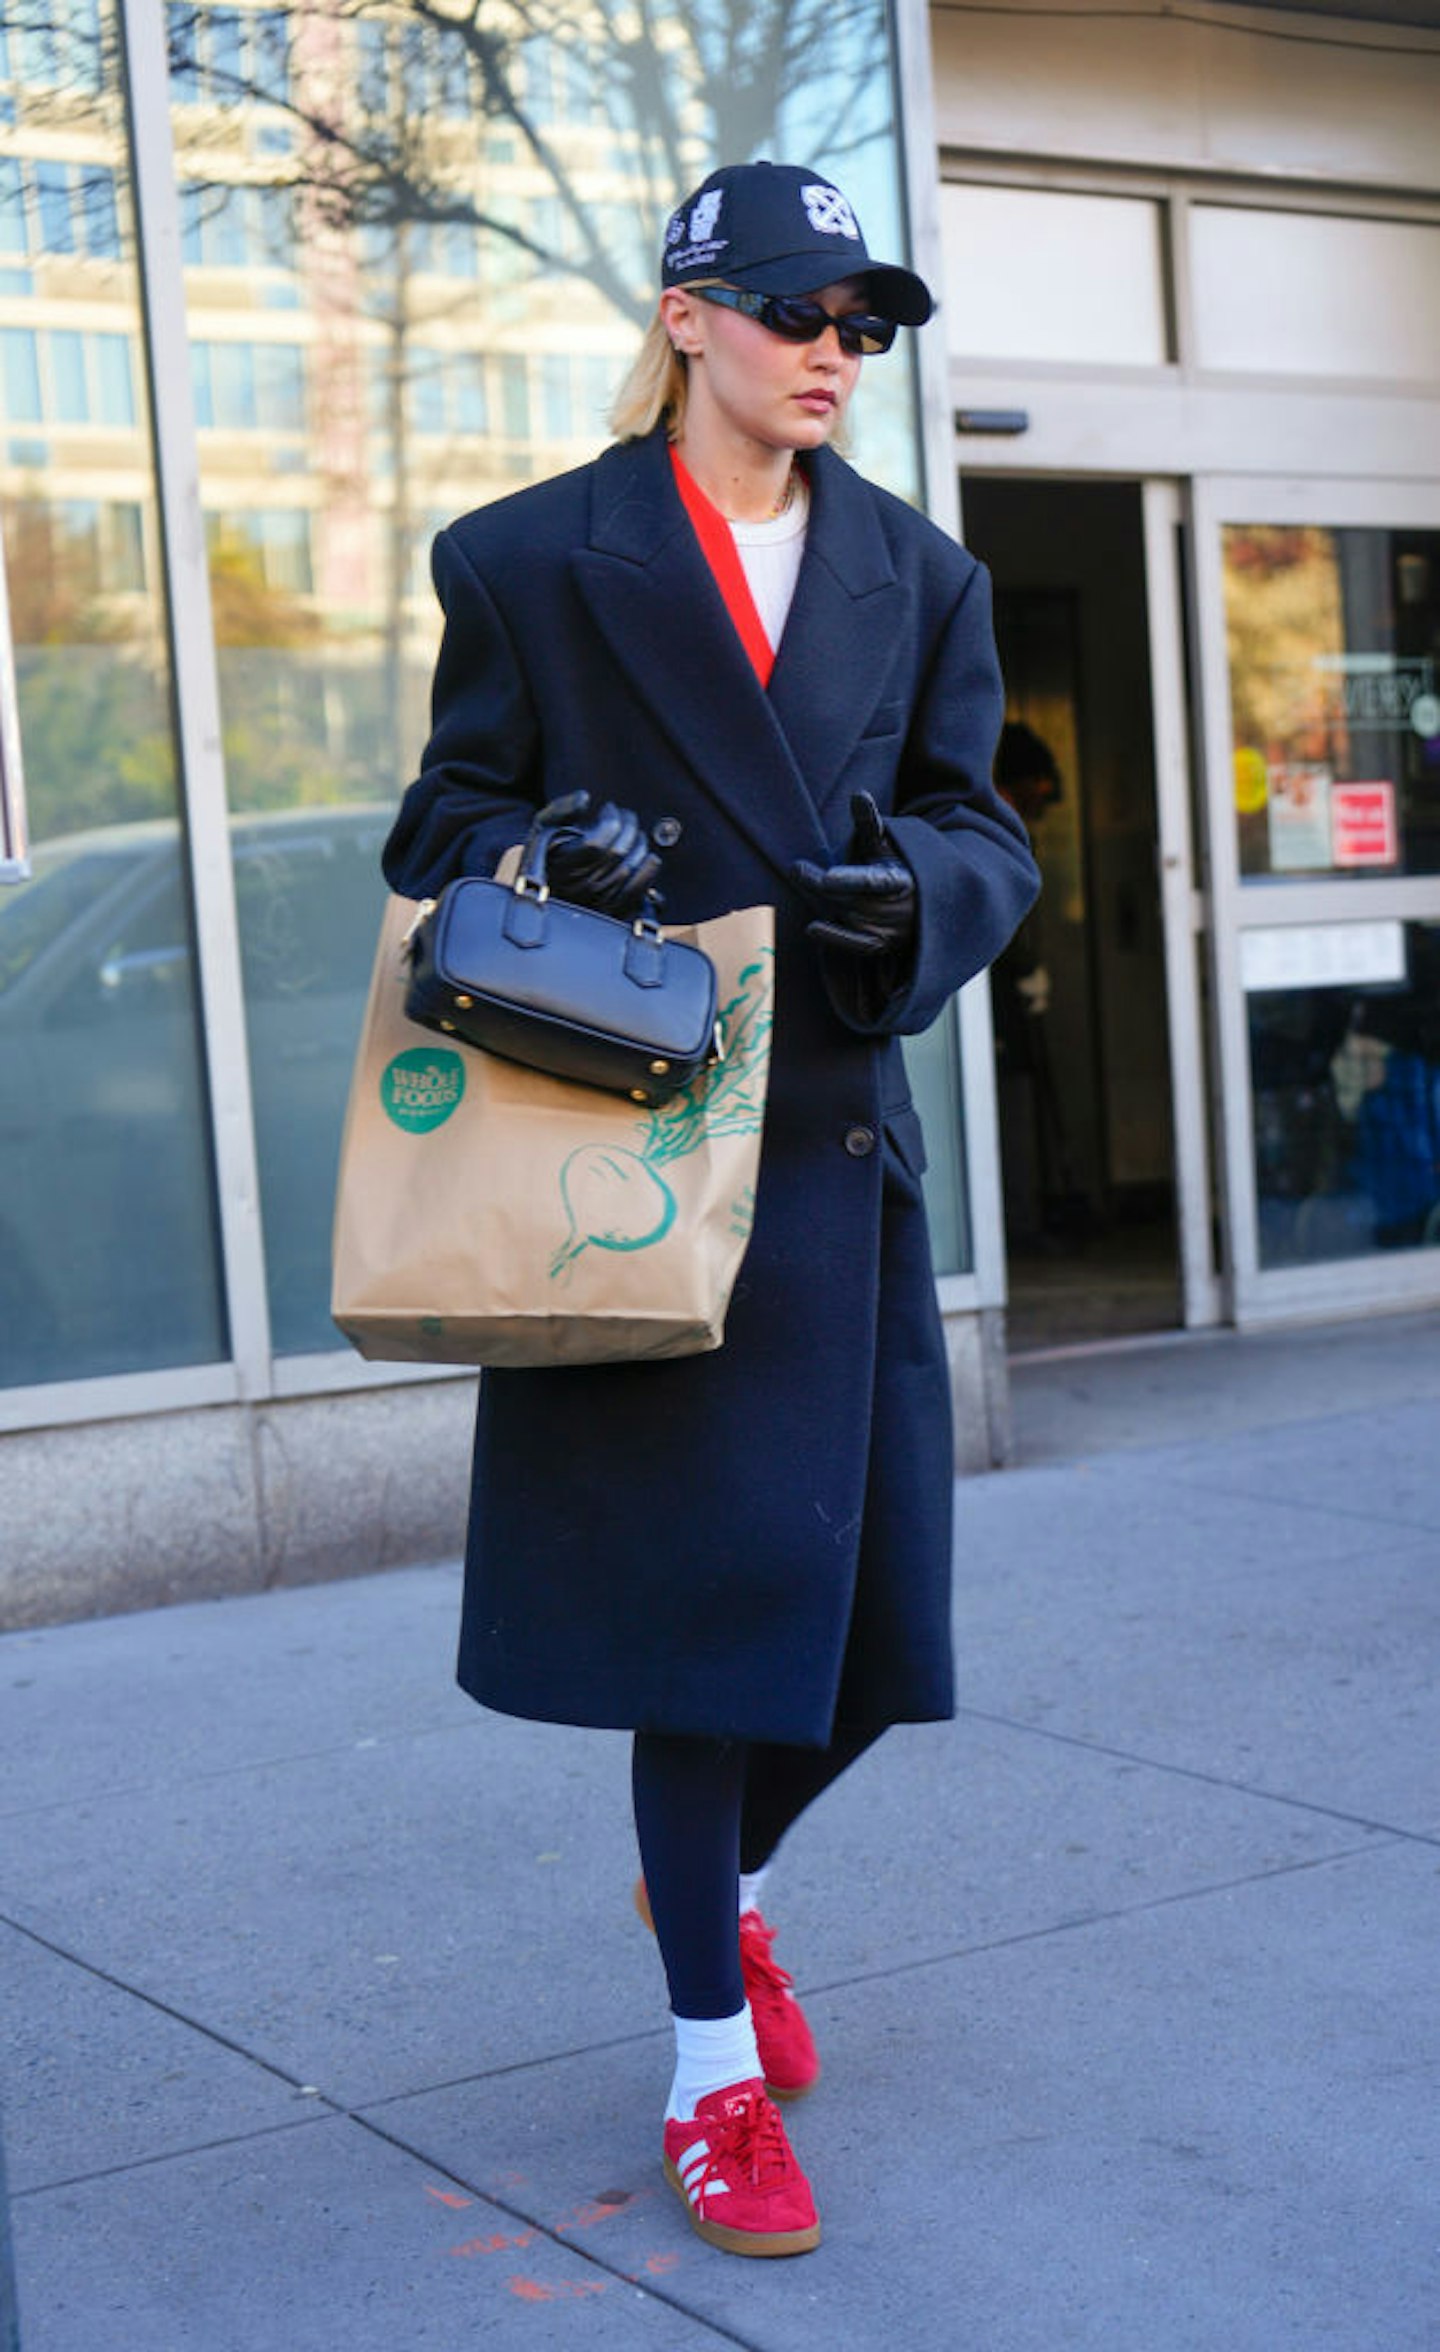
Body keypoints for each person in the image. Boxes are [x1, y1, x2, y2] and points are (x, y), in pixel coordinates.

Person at [383, 159, 1039, 2260]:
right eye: (799, 314)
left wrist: (914, 901)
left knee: (863, 1659)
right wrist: (538, 843)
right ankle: (708, 2074)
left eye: (867, 324)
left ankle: (718, 1890)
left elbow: (981, 828)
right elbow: (440, 818)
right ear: (689, 321)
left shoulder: (922, 578)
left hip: (835, 1147)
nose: (838, 353)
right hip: (626, 1148)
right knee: (707, 1646)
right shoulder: (528, 563)